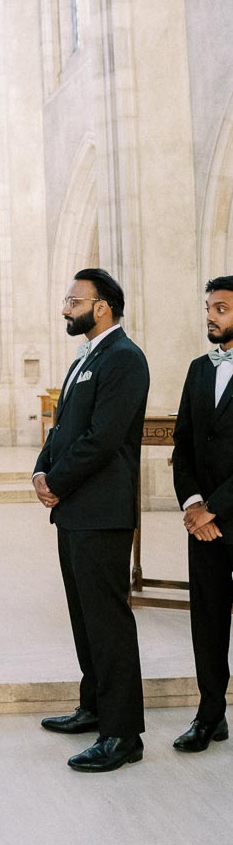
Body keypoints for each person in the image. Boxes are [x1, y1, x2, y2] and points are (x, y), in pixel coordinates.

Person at [32, 268, 150, 773]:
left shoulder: (124, 358)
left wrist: (57, 481)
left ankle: (123, 733)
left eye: (72, 300)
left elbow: (103, 438)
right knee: (84, 615)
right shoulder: (87, 357)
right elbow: (64, 427)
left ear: (101, 306)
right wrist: (41, 467)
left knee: (108, 619)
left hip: (100, 509)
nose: (65, 308)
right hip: (75, 509)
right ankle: (95, 705)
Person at [171, 275, 233, 753]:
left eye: (220, 309)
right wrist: (194, 505)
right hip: (203, 526)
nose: (210, 316)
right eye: (209, 308)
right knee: (207, 620)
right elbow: (185, 443)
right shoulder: (197, 369)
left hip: (226, 512)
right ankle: (209, 714)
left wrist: (215, 507)